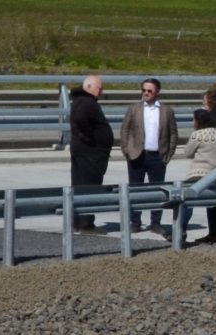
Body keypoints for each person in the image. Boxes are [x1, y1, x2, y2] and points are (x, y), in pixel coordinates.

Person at [118, 76, 176, 235]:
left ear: (157, 91)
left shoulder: (166, 111)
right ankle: (135, 222)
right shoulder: (134, 108)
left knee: (158, 191)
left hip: (158, 156)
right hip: (137, 155)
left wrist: (168, 154)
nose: (146, 93)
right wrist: (126, 150)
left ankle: (155, 223)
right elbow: (125, 130)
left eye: (149, 90)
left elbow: (173, 134)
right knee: (135, 190)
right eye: (143, 90)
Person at [175, 107, 216, 241]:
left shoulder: (197, 135)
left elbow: (187, 153)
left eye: (193, 119)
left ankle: (181, 230)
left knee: (186, 200)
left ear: (198, 121)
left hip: (200, 173)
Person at [67, 74, 111, 230]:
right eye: (99, 88)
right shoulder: (86, 103)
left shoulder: (81, 101)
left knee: (80, 186)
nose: (101, 91)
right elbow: (81, 120)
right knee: (89, 187)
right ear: (89, 87)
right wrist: (89, 138)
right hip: (90, 154)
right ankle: (85, 223)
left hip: (85, 152)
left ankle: (79, 222)